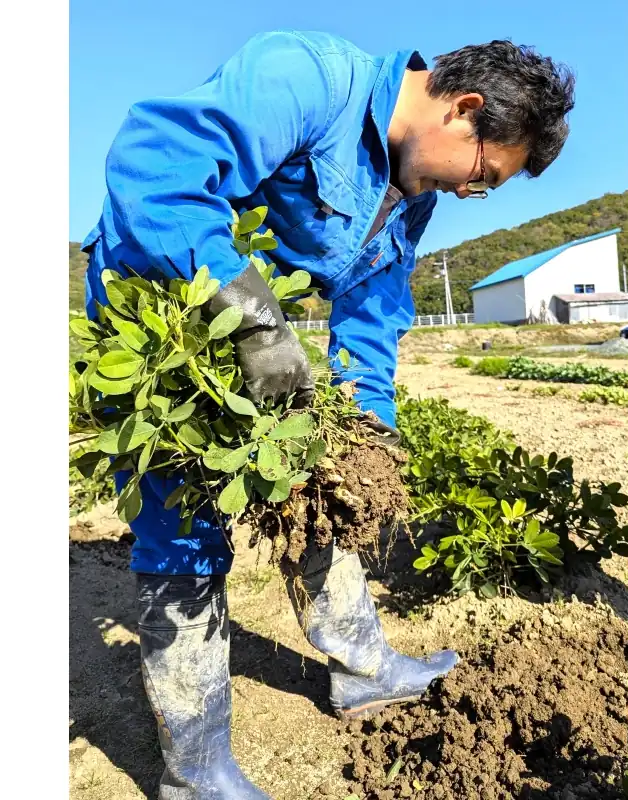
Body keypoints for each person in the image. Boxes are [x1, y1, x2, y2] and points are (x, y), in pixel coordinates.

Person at [82, 29, 575, 799]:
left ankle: (362, 668)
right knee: (182, 516)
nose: (470, 193)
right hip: (161, 323)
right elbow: (156, 171)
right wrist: (252, 319)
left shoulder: (407, 202)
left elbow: (372, 316)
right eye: (485, 174)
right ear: (465, 110)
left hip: (255, 339)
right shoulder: (306, 80)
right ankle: (196, 767)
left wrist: (367, 436)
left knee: (327, 485)